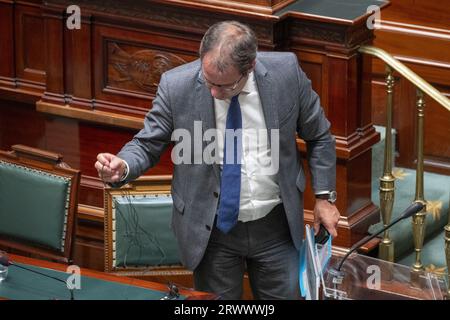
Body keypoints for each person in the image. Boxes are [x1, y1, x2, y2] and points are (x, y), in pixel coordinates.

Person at [95, 20, 340, 300]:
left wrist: (324, 196)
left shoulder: (286, 74)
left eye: (223, 86)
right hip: (213, 232)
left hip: (277, 229)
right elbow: (147, 143)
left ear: (249, 68)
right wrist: (123, 166)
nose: (213, 92)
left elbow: (319, 135)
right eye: (208, 80)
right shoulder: (177, 86)